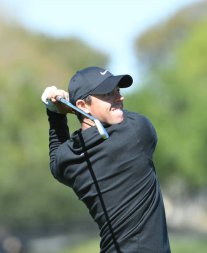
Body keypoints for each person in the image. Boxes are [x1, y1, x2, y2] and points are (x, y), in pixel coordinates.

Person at [41, 66, 171, 253]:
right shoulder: (137, 132)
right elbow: (127, 121)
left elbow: (55, 158)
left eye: (117, 91)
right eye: (108, 94)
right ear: (83, 106)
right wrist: (67, 110)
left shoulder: (68, 158)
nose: (120, 97)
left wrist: (55, 112)